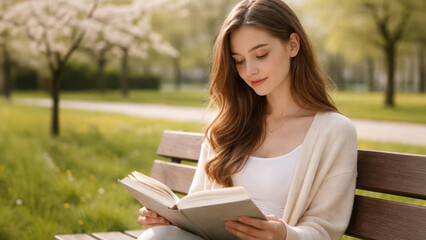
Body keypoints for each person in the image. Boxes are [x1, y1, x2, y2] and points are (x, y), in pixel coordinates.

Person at [138, 0, 357, 239]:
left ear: (293, 45)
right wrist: (167, 221)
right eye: (239, 60)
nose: (249, 70)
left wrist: (283, 234)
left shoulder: (334, 131)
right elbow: (195, 210)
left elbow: (324, 229)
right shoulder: (229, 125)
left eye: (261, 55)